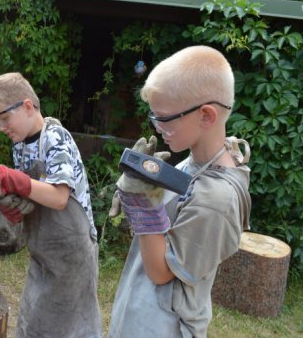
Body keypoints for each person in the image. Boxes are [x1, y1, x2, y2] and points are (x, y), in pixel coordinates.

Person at [107, 45, 252, 337]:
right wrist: (148, 182)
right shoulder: (198, 160)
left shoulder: (217, 201)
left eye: (164, 118)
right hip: (142, 314)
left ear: (207, 116)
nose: (157, 127)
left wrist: (142, 206)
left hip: (164, 327)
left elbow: (161, 272)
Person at [0, 72, 102, 338]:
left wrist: (13, 180)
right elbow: (33, 196)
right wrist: (9, 201)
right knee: (33, 322)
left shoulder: (56, 137)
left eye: (5, 118)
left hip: (73, 256)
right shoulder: (20, 146)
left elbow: (59, 198)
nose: (2, 127)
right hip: (42, 251)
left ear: (27, 105)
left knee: (68, 328)